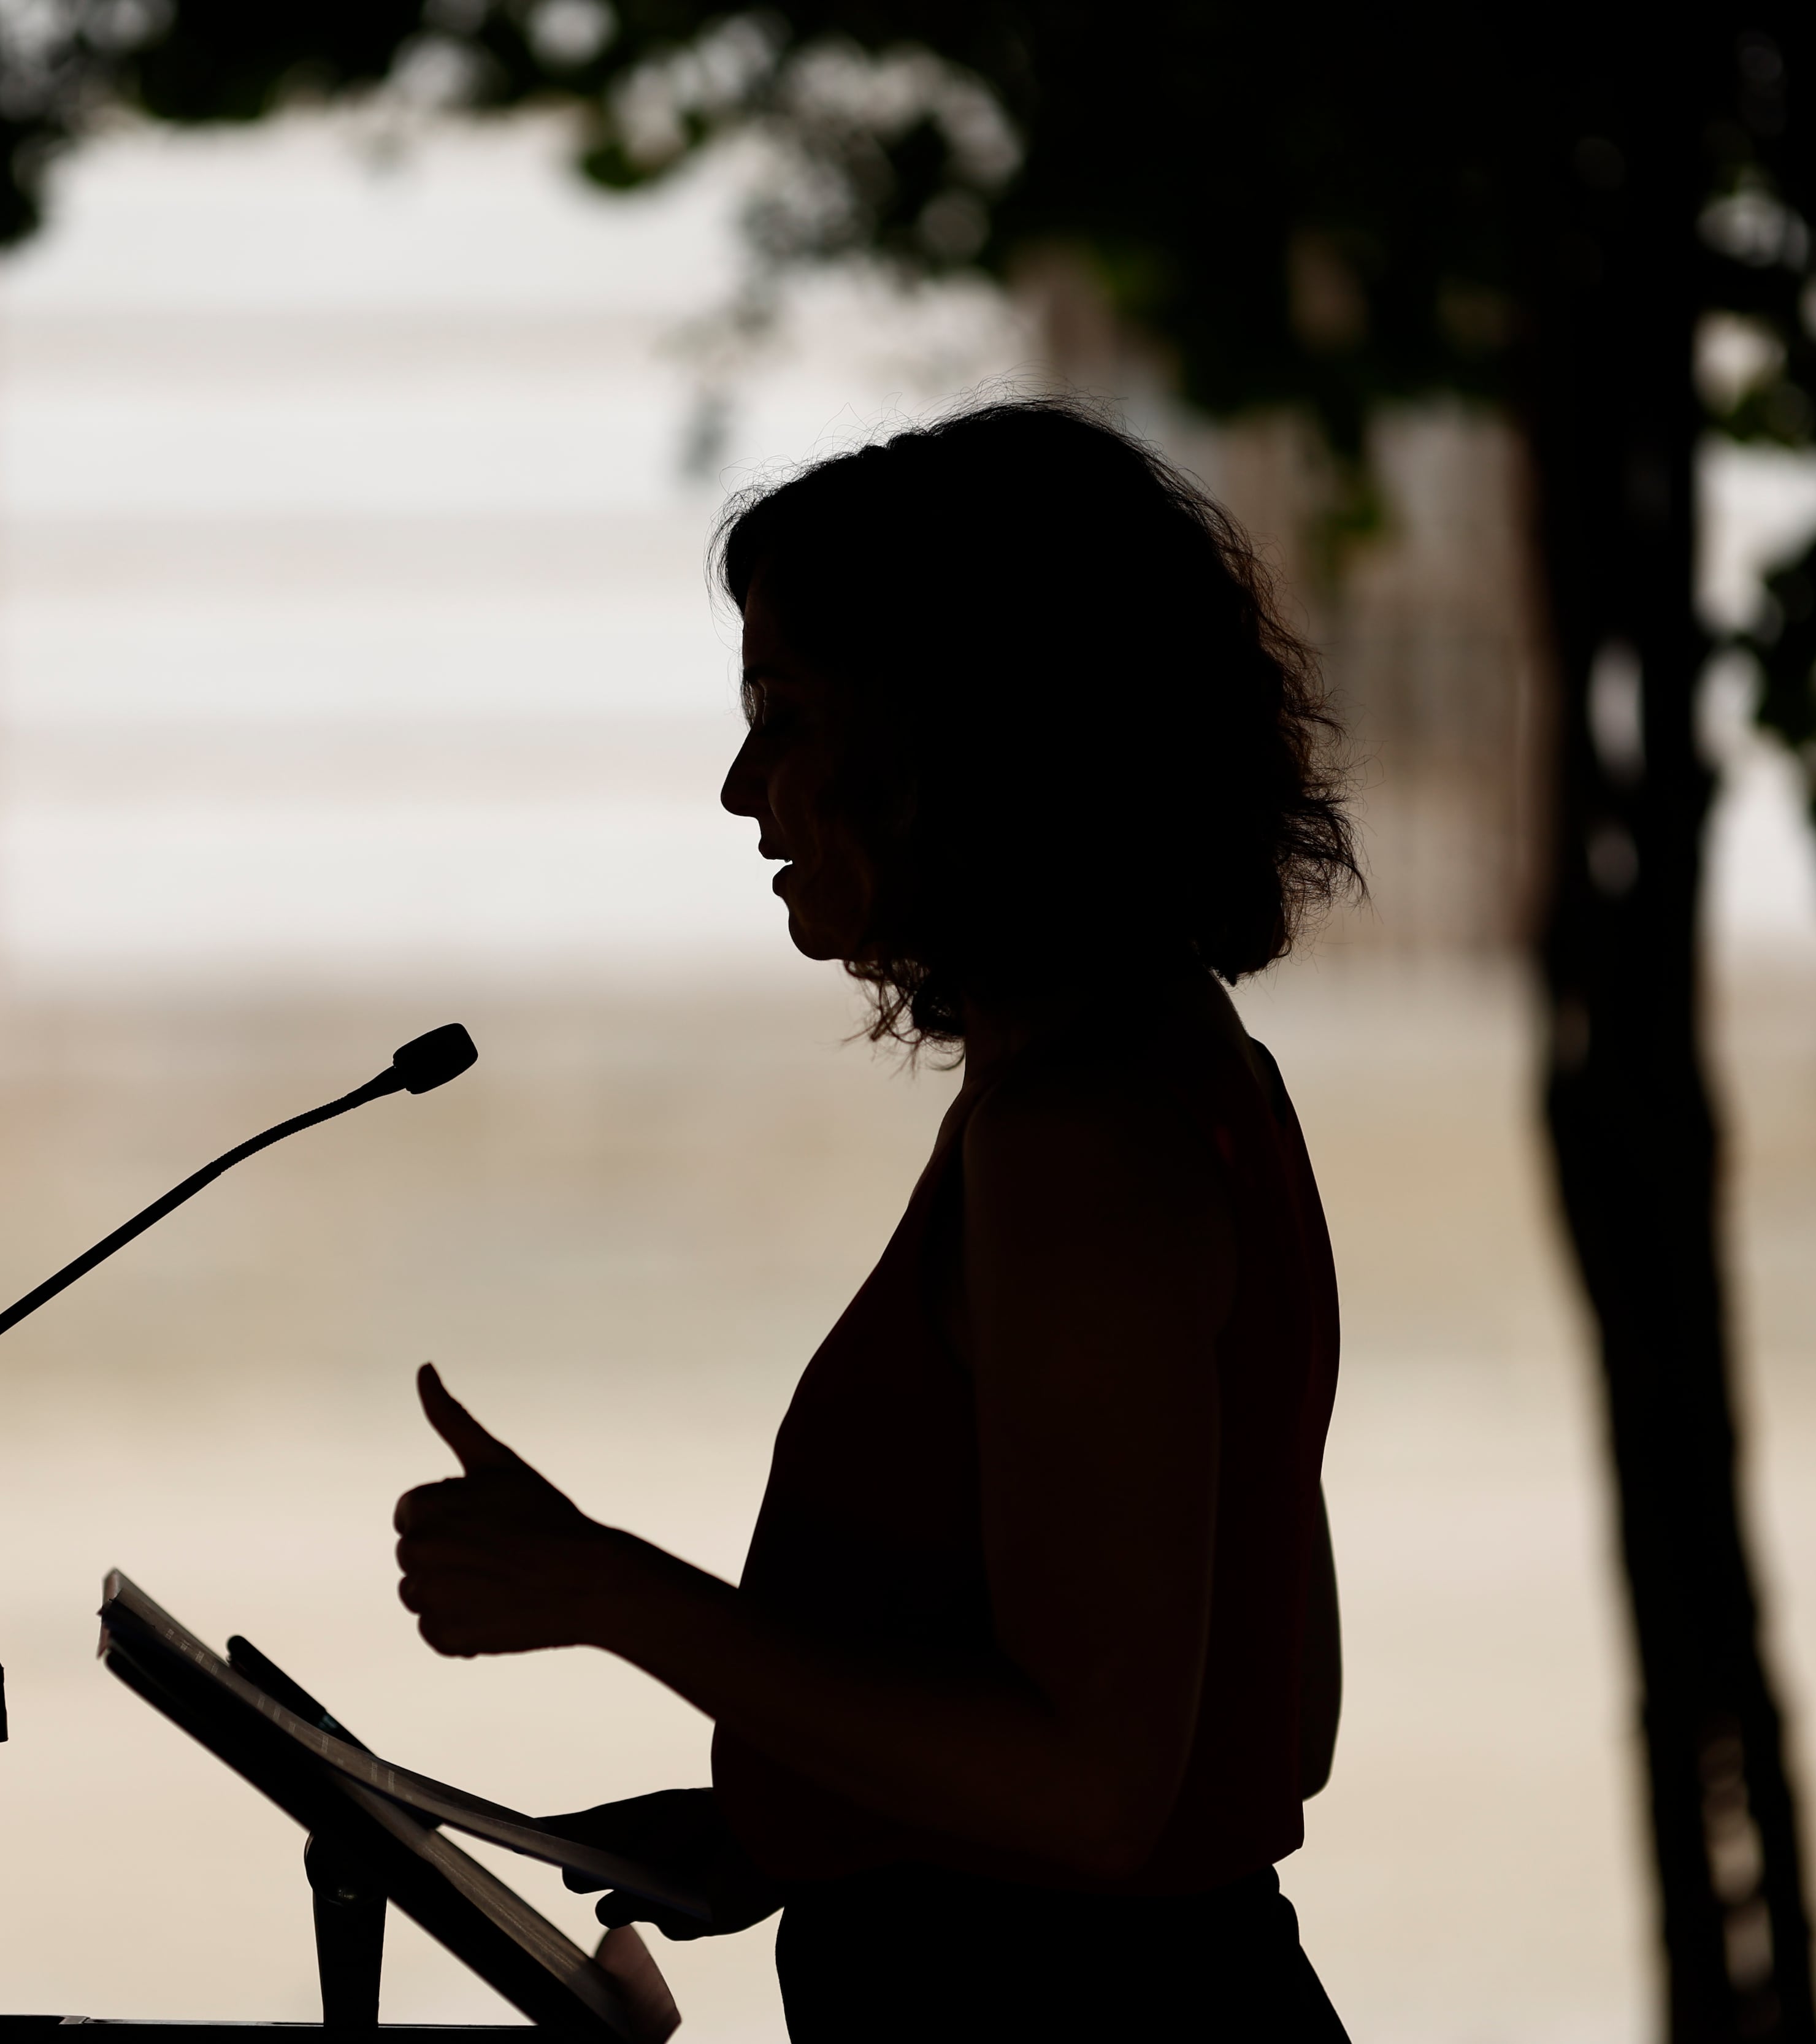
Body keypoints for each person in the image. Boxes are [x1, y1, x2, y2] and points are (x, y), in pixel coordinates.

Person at [391, 397, 1357, 2039]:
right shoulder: (1168, 1071)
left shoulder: (1081, 1143)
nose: (742, 788)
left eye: (788, 717)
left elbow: (1096, 1789)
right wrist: (806, 1823)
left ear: (959, 738)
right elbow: (1264, 1722)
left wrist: (610, 1593)